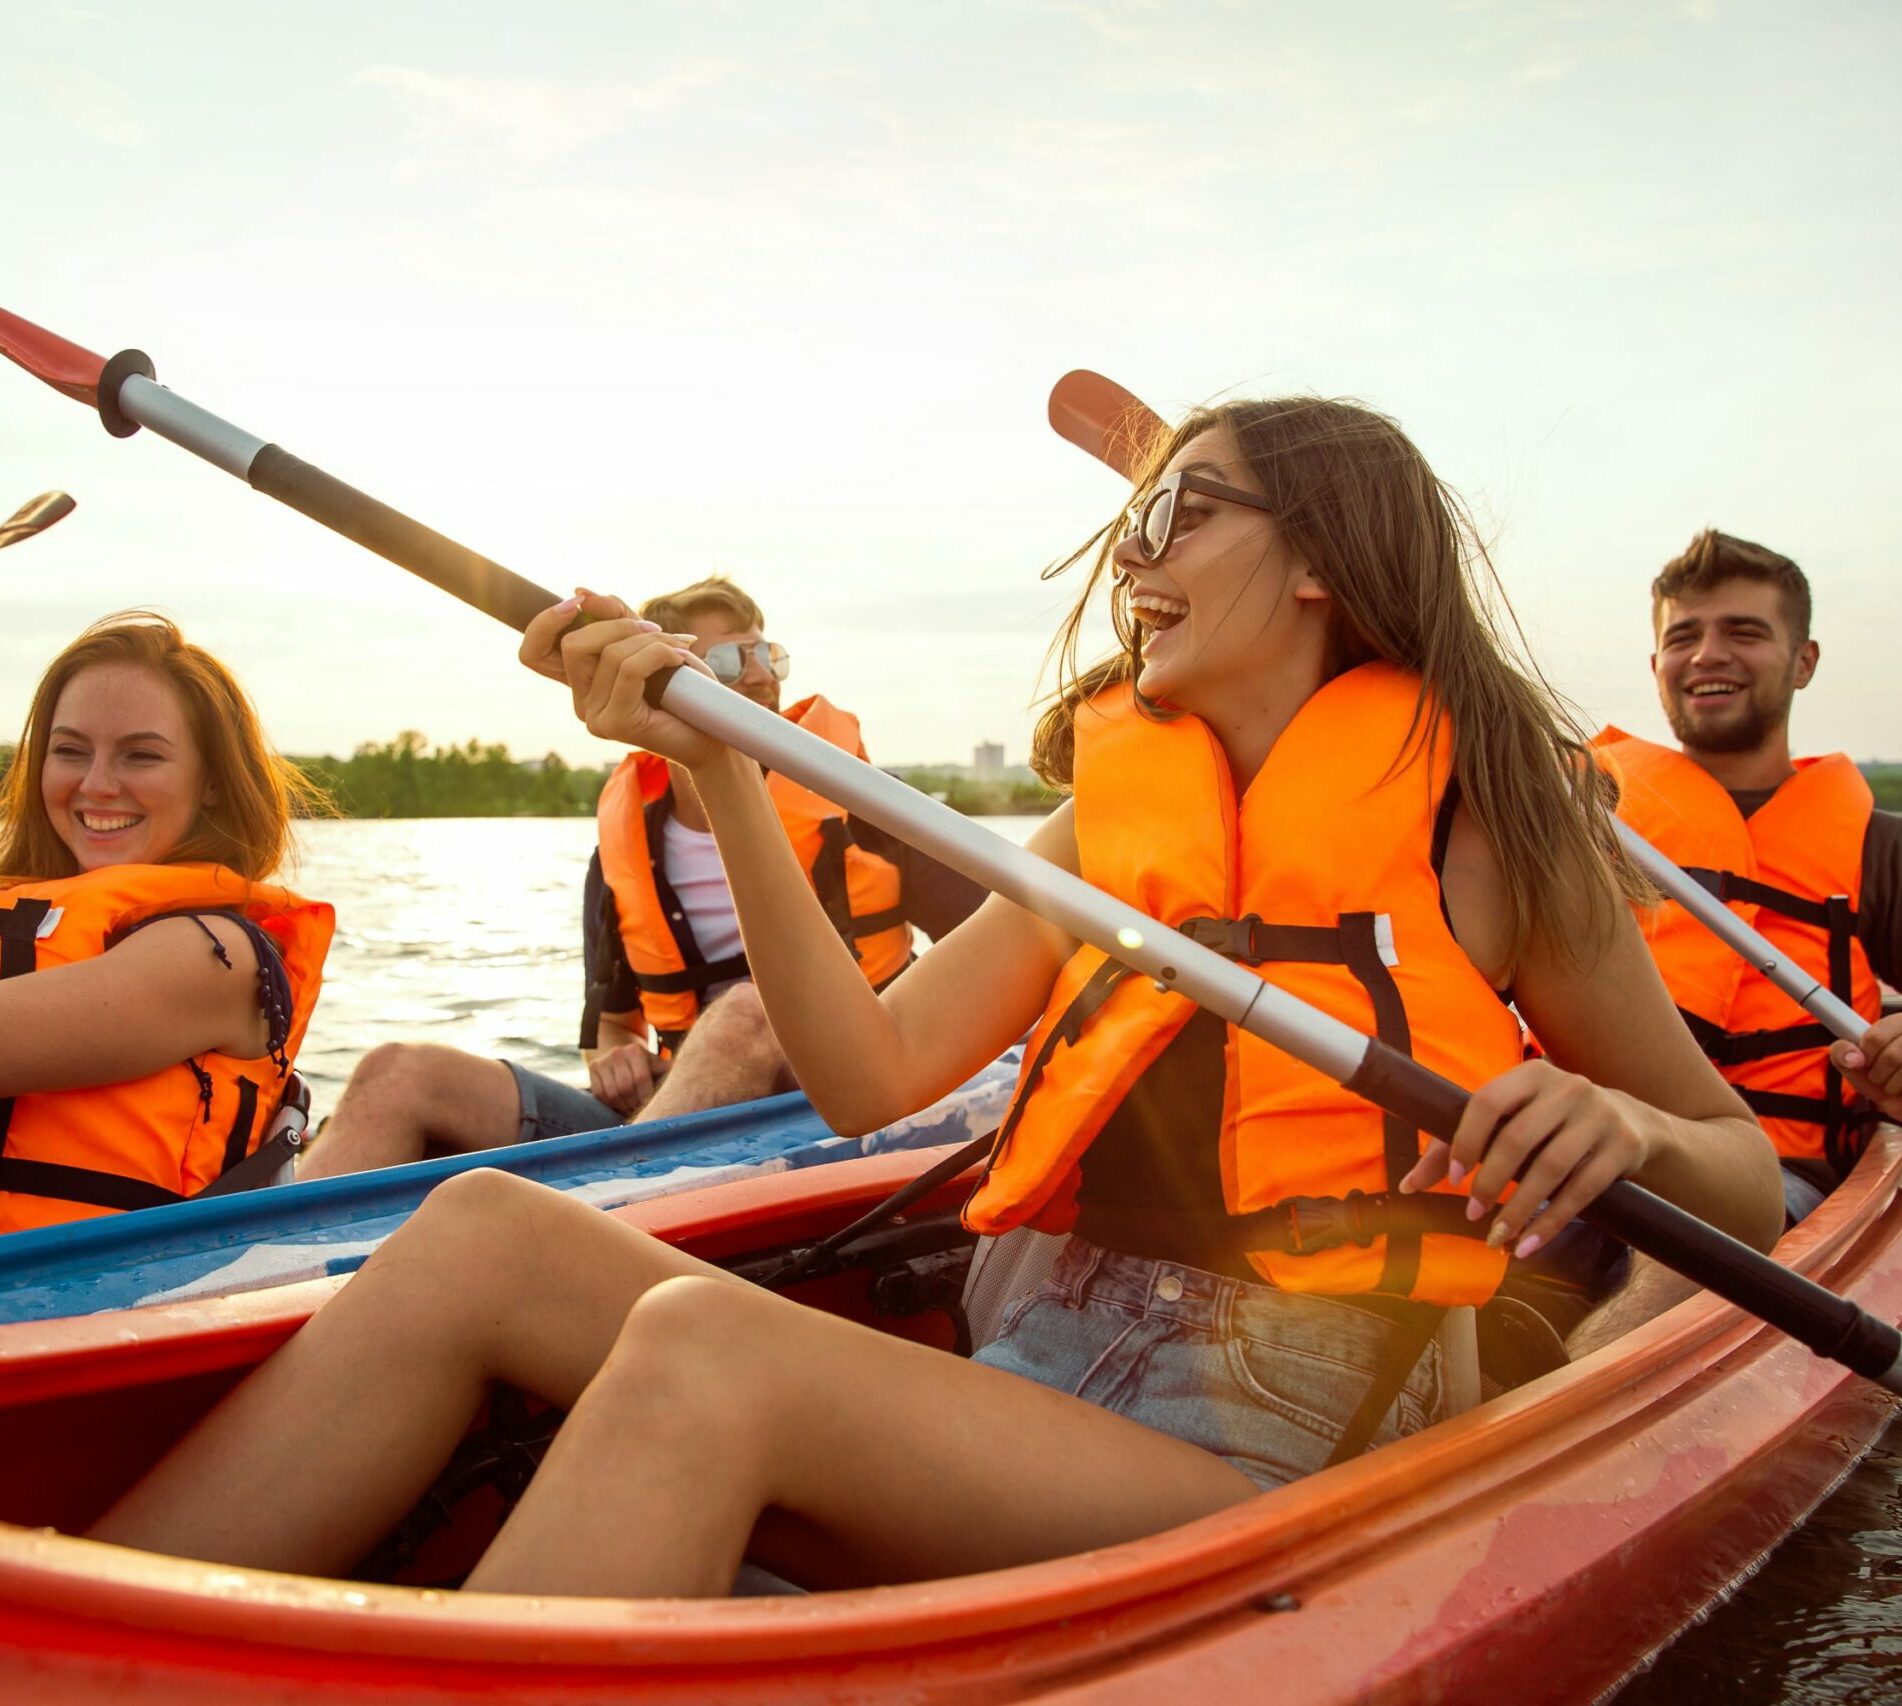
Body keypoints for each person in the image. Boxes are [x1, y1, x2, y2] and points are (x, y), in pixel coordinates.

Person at [90, 397, 1781, 1597]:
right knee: (478, 1228)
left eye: (1177, 513)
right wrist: (728, 779)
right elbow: (869, 1074)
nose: (1134, 555)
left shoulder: (1491, 821)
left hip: (1252, 1448)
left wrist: (1621, 1118)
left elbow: (1738, 1168)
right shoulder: (1109, 827)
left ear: (1324, 561)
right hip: (1020, 1369)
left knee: (704, 1354)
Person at [296, 576, 983, 1180]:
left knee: (748, 1009)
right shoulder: (624, 846)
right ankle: (242, 1293)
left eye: (765, 654)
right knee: (395, 1073)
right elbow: (614, 1027)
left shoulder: (866, 803)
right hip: (682, 1114)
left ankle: (579, 1226)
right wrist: (617, 1055)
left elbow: (999, 963)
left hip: (851, 1111)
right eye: (724, 661)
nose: (758, 676)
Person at [1593, 531, 1902, 1225]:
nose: (1707, 655)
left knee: (1688, 1240)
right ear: (1656, 665)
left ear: (1803, 662)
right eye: (1684, 637)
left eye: (1744, 631)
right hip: (1593, 1153)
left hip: (1782, 1179)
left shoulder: (1880, 848)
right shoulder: (1587, 829)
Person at [0, 613, 333, 1235]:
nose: (96, 785)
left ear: (210, 783)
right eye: (70, 750)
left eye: (141, 756)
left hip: (90, 1304)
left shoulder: (213, 957)